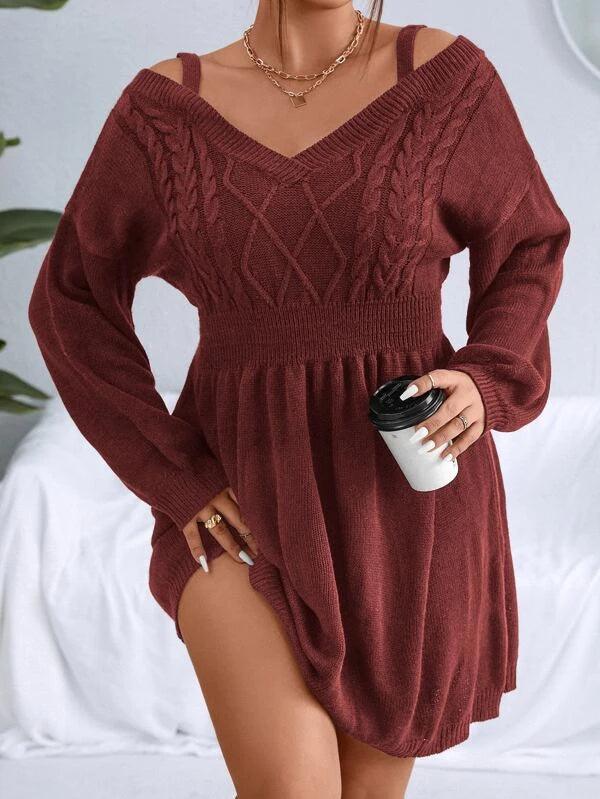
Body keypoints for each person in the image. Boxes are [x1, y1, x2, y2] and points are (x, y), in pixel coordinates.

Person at [28, 1, 571, 797]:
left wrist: (487, 376)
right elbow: (71, 300)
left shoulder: (445, 80)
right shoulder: (164, 111)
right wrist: (171, 473)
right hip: (232, 494)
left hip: (403, 502)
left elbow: (530, 242)